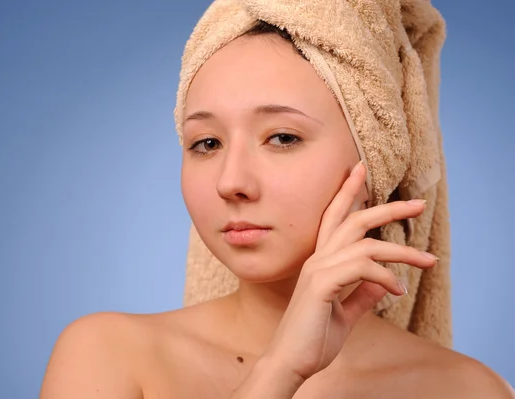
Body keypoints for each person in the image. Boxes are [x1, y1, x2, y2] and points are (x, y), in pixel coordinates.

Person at [39, 20, 514, 399]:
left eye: (282, 137)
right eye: (206, 143)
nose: (231, 182)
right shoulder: (106, 356)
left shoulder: (467, 391)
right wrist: (281, 368)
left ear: (374, 162)